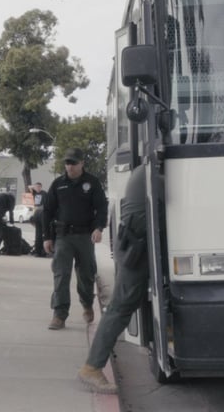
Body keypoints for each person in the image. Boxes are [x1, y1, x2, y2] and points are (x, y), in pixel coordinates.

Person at [78, 165, 150, 393]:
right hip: (136, 249)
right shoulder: (154, 171)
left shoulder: (145, 171)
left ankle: (92, 367)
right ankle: (92, 368)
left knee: (122, 306)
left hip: (133, 246)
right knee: (121, 307)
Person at [42, 147, 108, 330]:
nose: (69, 167)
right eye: (67, 163)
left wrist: (99, 228)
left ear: (82, 164)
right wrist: (47, 238)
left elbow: (101, 207)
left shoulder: (92, 183)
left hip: (85, 236)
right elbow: (47, 212)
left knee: (86, 275)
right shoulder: (58, 184)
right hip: (63, 236)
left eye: (73, 163)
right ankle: (59, 314)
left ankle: (87, 304)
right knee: (61, 275)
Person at [29, 182, 48, 257]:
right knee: (38, 232)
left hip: (42, 210)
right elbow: (29, 187)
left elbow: (47, 202)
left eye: (38, 187)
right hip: (36, 211)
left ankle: (43, 250)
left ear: (41, 187)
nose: (37, 189)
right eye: (36, 187)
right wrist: (34, 187)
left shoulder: (44, 193)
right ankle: (38, 251)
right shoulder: (34, 193)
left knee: (43, 231)